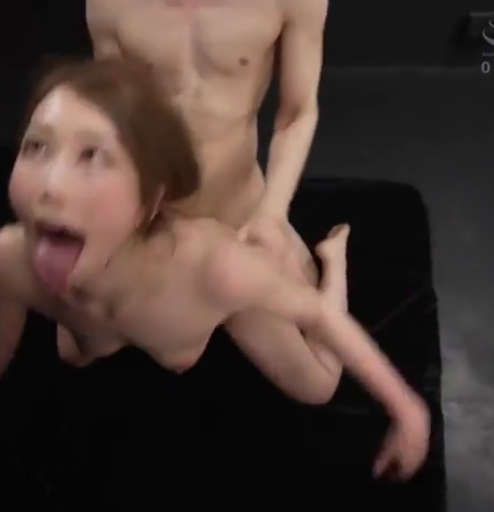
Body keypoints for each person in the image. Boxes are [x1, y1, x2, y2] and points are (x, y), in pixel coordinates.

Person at [0, 59, 429, 512]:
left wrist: (408, 410)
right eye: (36, 147)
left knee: (319, 386)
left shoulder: (217, 271)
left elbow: (321, 321)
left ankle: (333, 264)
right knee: (76, 352)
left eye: (93, 157)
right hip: (104, 323)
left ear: (150, 201)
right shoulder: (8, 263)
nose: (50, 185)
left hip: (199, 305)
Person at [72, 0, 338, 386]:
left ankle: (334, 259)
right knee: (77, 348)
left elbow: (298, 111)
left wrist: (272, 215)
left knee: (314, 370)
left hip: (239, 208)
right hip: (157, 217)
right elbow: (115, 118)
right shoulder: (109, 4)